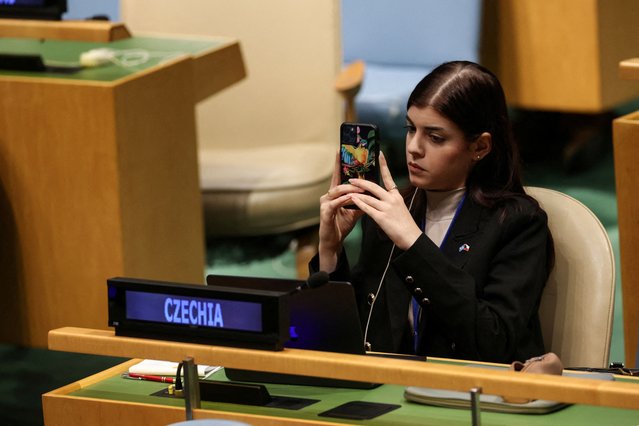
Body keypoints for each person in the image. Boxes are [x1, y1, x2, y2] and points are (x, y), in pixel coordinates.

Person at [311, 61, 554, 364]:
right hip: (390, 390)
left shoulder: (519, 223)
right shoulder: (391, 211)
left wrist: (414, 243)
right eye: (410, 129)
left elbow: (494, 343)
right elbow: (347, 339)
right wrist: (330, 253)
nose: (413, 148)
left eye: (435, 137)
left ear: (480, 146)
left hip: (472, 397)